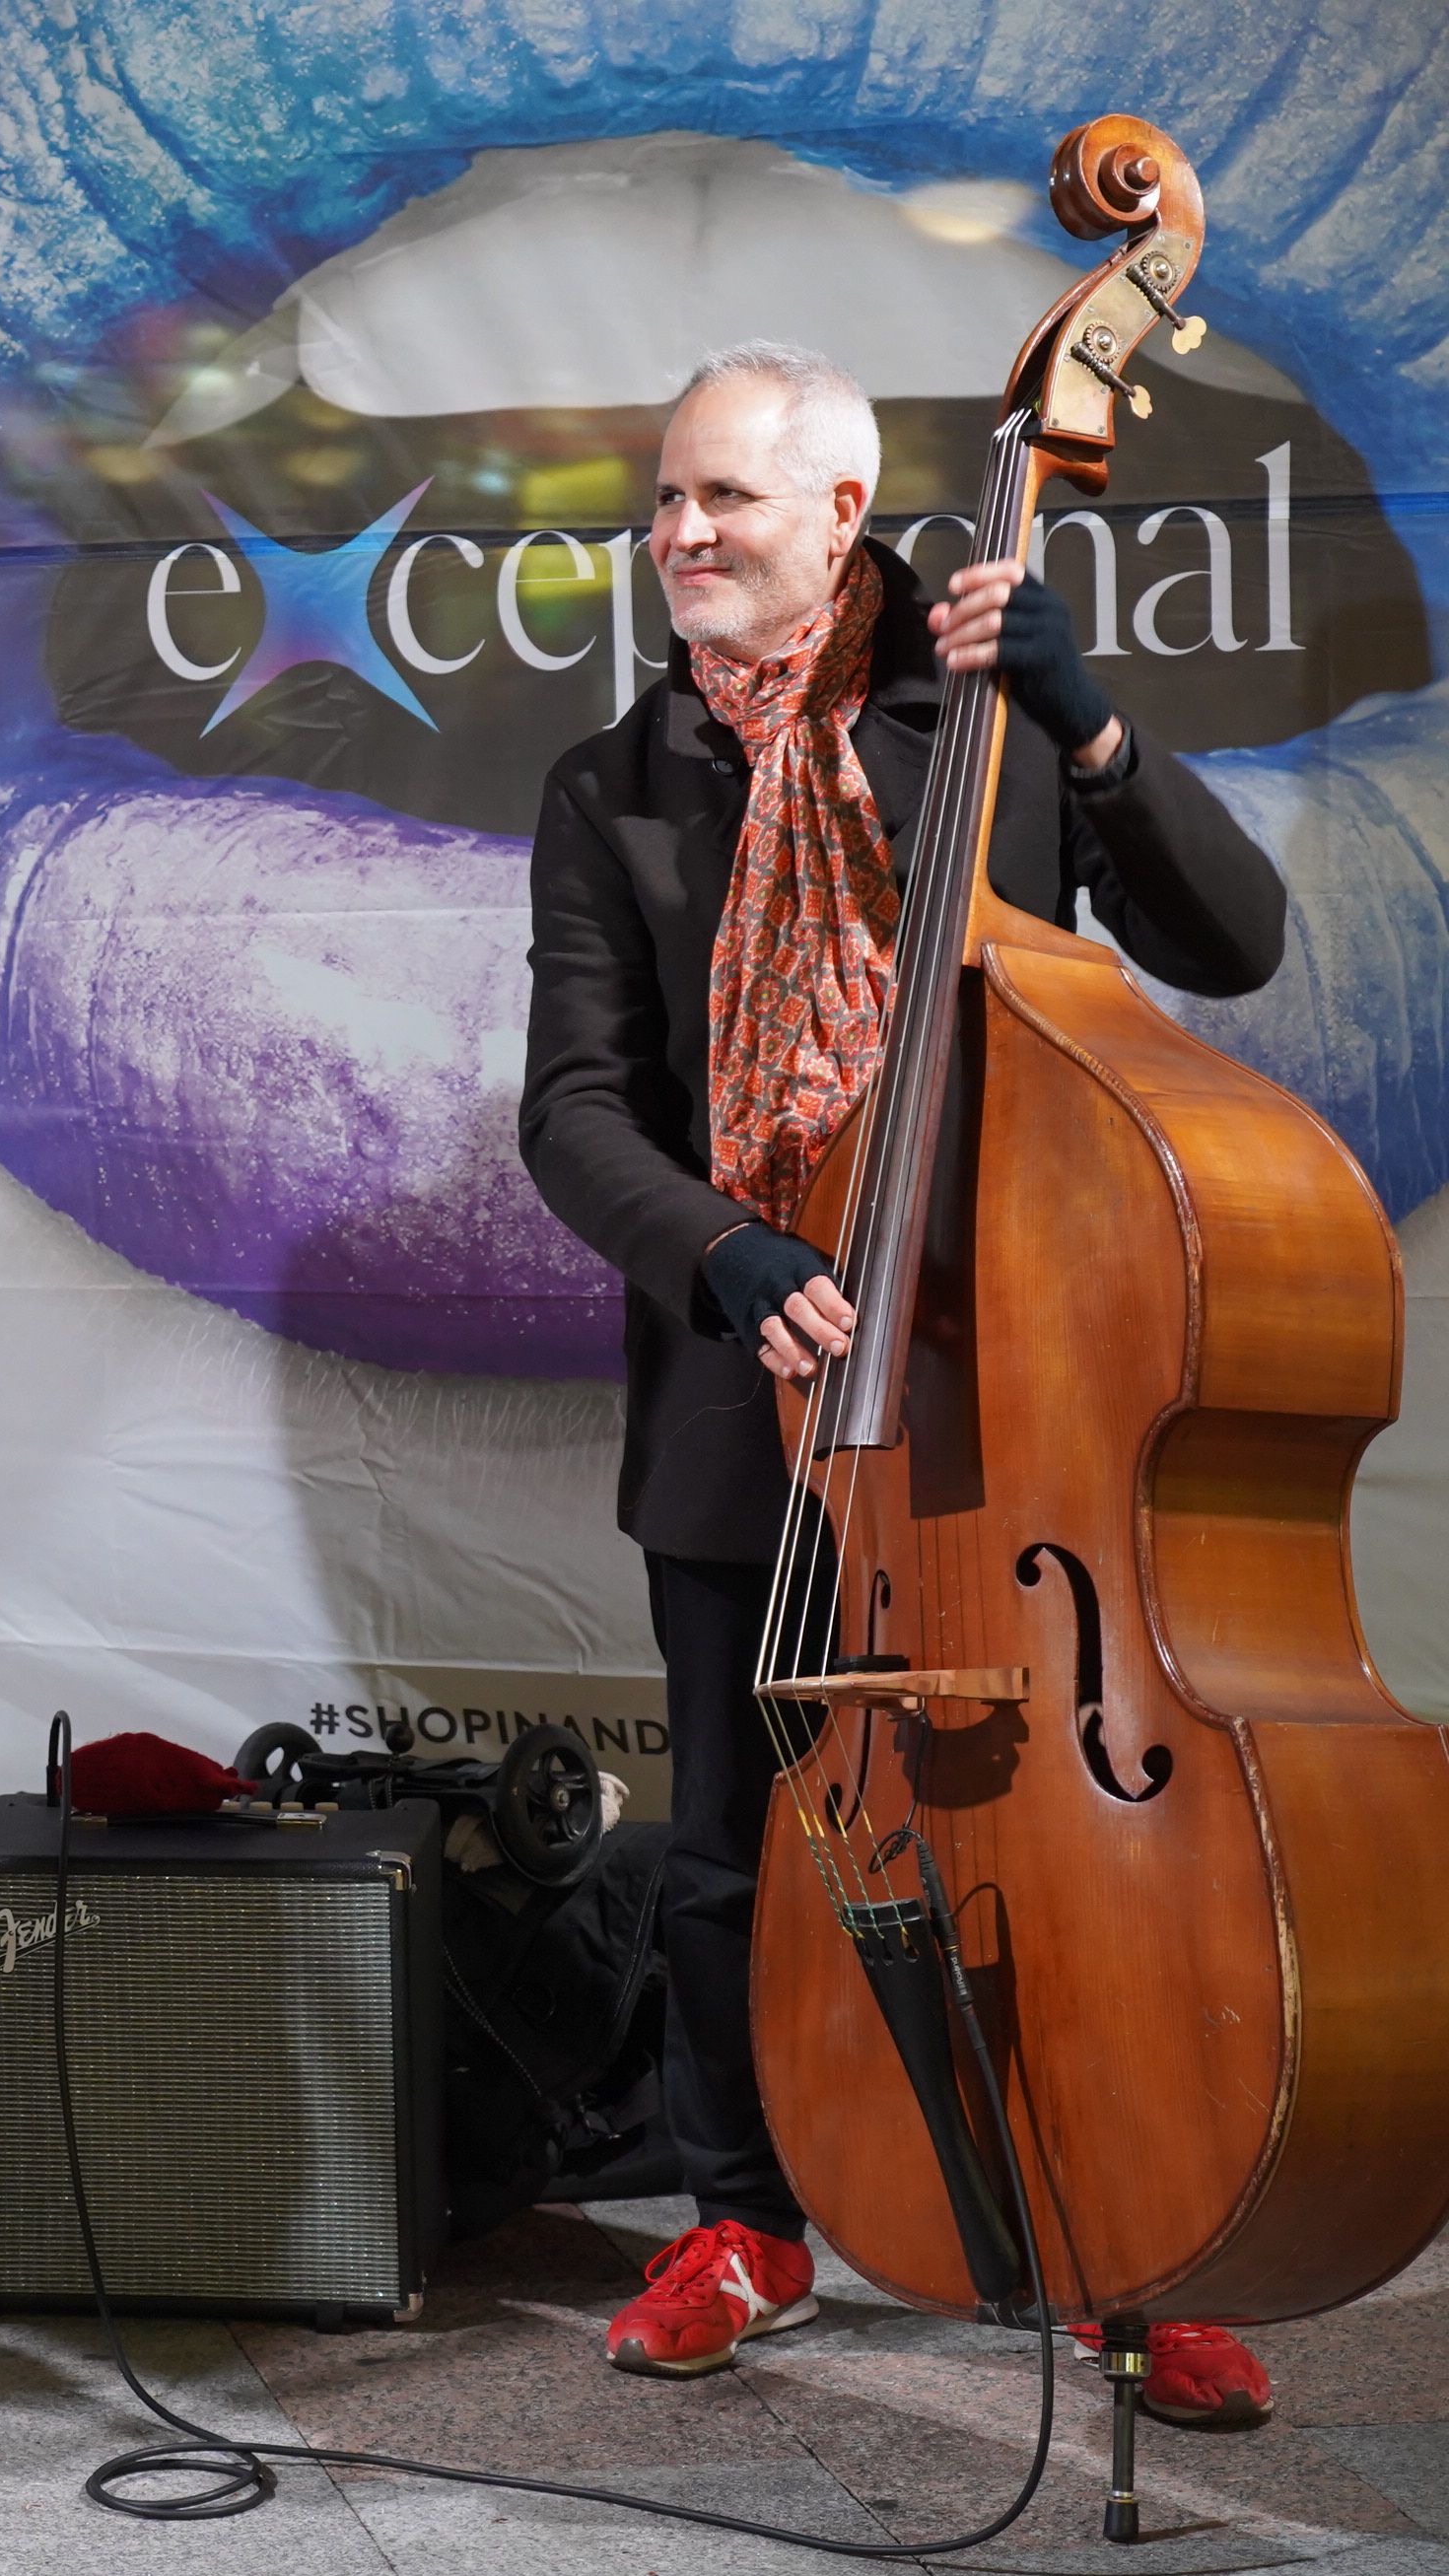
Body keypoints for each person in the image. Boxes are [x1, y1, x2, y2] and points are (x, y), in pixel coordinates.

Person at [518, 344, 1287, 2421]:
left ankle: (1126, 2243)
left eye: (722, 502)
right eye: (665, 501)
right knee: (731, 1844)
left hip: (1025, 1374)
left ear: (842, 514)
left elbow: (1235, 940)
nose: (676, 534)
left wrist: (1099, 720)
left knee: (1070, 1842)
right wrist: (722, 1247)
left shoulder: (990, 711)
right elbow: (575, 1110)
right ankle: (743, 2219)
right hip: (751, 1375)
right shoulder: (619, 785)